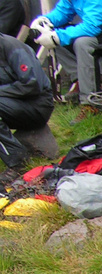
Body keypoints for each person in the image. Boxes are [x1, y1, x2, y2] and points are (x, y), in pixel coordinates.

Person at [30, 0, 102, 104]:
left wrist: (57, 36)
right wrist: (44, 21)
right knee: (56, 35)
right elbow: (62, 13)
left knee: (82, 43)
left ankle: (91, 103)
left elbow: (92, 27)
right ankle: (80, 83)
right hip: (100, 34)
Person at [0, 31, 54, 179]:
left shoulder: (12, 47)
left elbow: (32, 85)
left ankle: (18, 163)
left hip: (38, 105)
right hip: (12, 104)